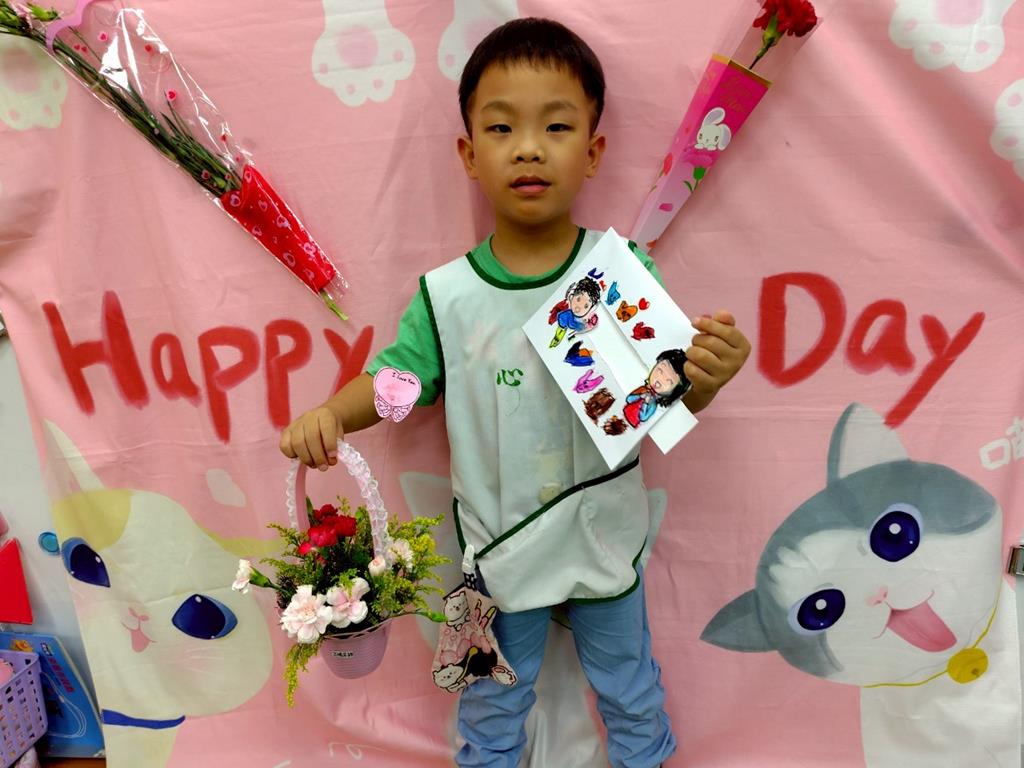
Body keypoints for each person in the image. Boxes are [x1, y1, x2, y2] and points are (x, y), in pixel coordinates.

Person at [280, 17, 751, 768]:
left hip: (603, 539)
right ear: (469, 153)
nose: (529, 147)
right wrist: (335, 413)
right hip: (498, 555)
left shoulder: (622, 276)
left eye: (556, 126)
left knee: (629, 686)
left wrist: (706, 379)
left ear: (592, 150)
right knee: (492, 700)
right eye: (502, 127)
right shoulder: (447, 297)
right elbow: (401, 386)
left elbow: (662, 402)